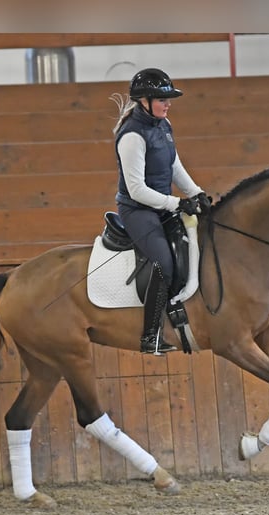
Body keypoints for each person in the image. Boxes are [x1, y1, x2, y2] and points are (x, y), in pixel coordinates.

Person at [112, 67, 211, 355]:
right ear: (144, 100)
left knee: (188, 248)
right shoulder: (132, 135)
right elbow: (136, 190)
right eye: (162, 99)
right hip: (137, 210)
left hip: (161, 204)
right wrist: (177, 203)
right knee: (163, 263)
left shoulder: (163, 126)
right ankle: (150, 335)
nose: (168, 104)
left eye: (169, 100)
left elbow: (174, 166)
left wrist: (196, 193)